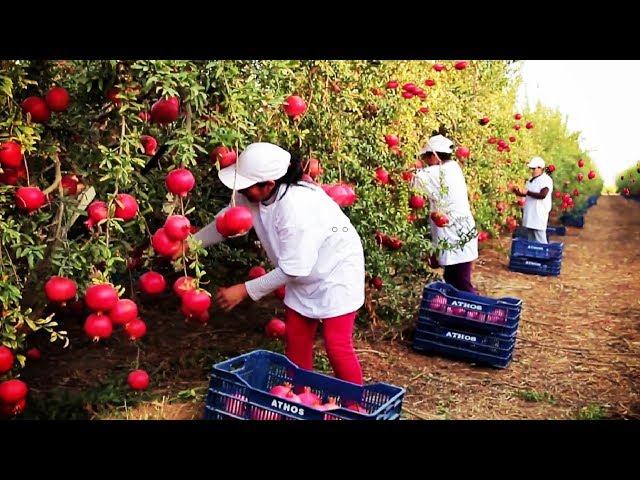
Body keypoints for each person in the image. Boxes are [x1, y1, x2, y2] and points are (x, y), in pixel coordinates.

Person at [192, 142, 365, 386]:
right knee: (296, 341)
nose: (240, 191)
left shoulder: (296, 207)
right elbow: (226, 223)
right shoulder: (255, 195)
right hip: (300, 271)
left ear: (268, 184)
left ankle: (354, 407)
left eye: (246, 185)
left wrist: (244, 290)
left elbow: (294, 268)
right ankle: (301, 399)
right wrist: (191, 244)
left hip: (337, 272)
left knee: (337, 345)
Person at [411, 134, 479, 294]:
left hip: (455, 235)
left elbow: (409, 180)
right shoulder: (453, 167)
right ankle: (459, 313)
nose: (426, 162)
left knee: (462, 283)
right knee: (453, 279)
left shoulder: (438, 173)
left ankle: (478, 314)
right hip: (460, 233)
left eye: (426, 157)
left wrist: (412, 164)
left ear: (434, 156)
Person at [512, 156, 553, 244]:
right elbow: (526, 193)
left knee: (539, 238)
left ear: (540, 168)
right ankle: (534, 256)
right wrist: (516, 191)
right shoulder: (531, 180)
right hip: (530, 212)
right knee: (531, 238)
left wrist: (527, 192)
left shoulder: (546, 180)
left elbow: (543, 195)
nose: (532, 171)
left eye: (534, 169)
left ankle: (543, 256)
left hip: (539, 213)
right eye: (531, 169)